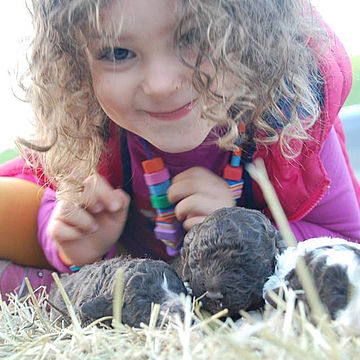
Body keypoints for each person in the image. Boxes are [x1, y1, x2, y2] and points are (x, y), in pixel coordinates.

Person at [0, 0, 359, 300]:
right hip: (143, 277)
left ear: (254, 34)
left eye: (193, 37)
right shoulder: (94, 129)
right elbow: (42, 191)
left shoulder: (291, 121)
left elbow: (347, 242)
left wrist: (245, 229)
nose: (160, 84)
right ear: (77, 66)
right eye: (117, 52)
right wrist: (70, 238)